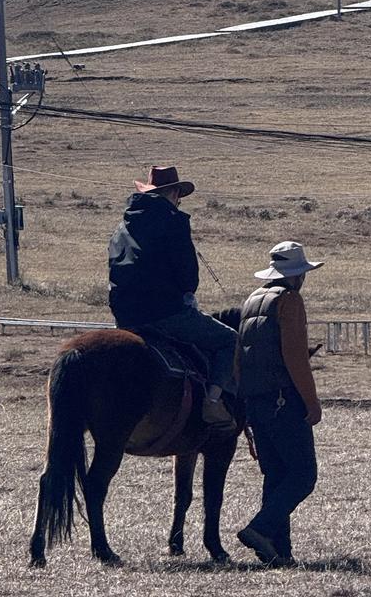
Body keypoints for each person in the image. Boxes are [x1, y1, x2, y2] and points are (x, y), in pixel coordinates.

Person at [108, 165, 237, 430]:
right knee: (230, 341)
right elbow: (188, 279)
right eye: (178, 197)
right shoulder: (173, 222)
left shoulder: (122, 227)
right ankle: (212, 402)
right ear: (174, 193)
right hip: (166, 314)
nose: (179, 202)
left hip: (125, 318)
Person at [235, 241, 323, 567]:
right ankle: (259, 529)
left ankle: (277, 551)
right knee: (302, 475)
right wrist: (311, 402)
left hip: (256, 401)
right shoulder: (289, 300)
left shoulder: (251, 300)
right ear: (296, 275)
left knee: (275, 475)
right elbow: (296, 357)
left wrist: (245, 404)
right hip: (284, 401)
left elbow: (238, 358)